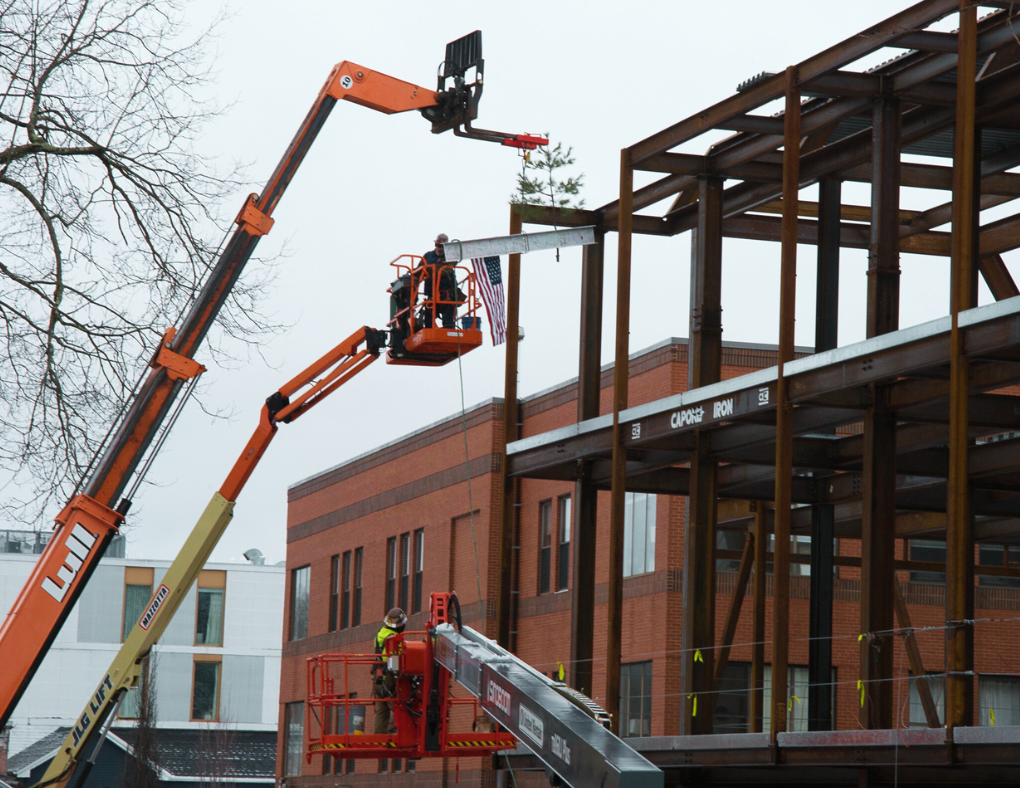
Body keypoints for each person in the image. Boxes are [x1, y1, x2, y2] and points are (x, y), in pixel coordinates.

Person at [372, 607, 407, 737]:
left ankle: (379, 737)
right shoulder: (393, 639)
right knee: (403, 707)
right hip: (388, 679)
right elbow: (397, 658)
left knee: (382, 710)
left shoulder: (380, 633)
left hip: (377, 677)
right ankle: (394, 729)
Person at [420, 233, 457, 328]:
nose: (441, 248)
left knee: (448, 323)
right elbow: (418, 272)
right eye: (439, 246)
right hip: (432, 295)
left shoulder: (450, 258)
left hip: (446, 294)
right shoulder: (428, 256)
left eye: (444, 247)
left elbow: (448, 271)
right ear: (435, 245)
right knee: (428, 323)